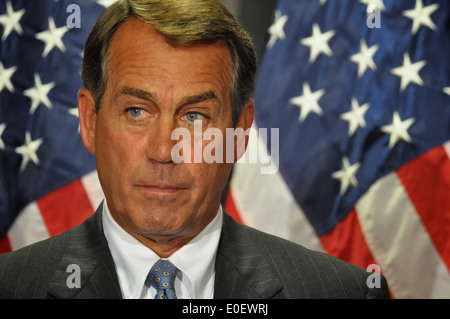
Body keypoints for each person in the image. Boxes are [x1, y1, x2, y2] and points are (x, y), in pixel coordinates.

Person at [0, 0, 389, 299]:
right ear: (89, 121)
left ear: (238, 132)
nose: (165, 150)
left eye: (195, 117)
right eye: (137, 111)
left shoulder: (341, 292)